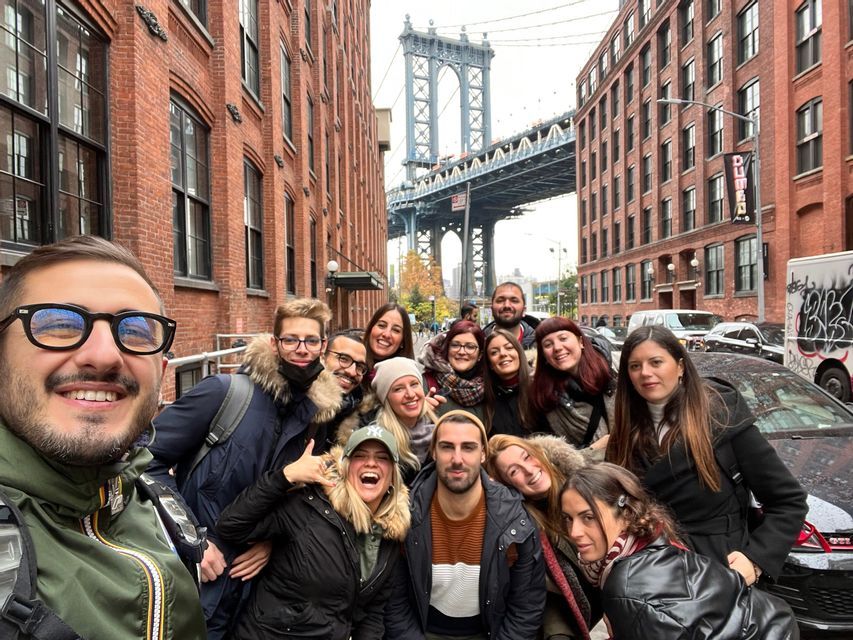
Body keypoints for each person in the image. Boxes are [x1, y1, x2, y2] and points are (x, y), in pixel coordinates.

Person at [0, 235, 205, 638]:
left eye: (135, 332)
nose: (105, 355)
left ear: (162, 373)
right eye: (58, 322)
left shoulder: (152, 502)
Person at [148, 298, 344, 638]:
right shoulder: (224, 394)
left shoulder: (315, 418)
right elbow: (146, 459)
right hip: (194, 572)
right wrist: (192, 539)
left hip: (254, 587)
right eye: (291, 340)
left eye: (311, 341)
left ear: (323, 346)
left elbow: (296, 500)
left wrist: (270, 544)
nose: (301, 349)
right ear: (274, 342)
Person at [607, 326, 807, 585]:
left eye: (656, 362)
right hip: (649, 581)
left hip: (716, 577)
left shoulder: (723, 422)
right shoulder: (623, 435)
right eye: (635, 366)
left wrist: (755, 560)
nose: (645, 373)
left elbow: (789, 501)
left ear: (680, 367)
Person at [561, 463, 800, 639]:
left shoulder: (624, 589)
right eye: (568, 519)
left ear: (625, 514)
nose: (574, 532)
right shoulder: (658, 542)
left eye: (588, 517)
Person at [216, 425, 411, 640]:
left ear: (393, 476)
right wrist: (284, 476)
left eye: (382, 458)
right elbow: (231, 525)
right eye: (360, 455)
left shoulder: (390, 535)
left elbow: (373, 613)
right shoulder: (309, 505)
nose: (371, 463)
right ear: (345, 467)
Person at [384, 410, 546, 639]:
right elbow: (394, 603)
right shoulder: (407, 514)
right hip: (423, 632)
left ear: (483, 454)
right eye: (447, 447)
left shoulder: (514, 520)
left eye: (468, 447)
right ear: (434, 452)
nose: (457, 459)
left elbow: (526, 608)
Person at [486, 434, 600, 640]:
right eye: (514, 471)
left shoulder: (592, 483)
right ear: (508, 485)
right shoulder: (525, 532)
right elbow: (548, 599)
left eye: (527, 457)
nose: (528, 470)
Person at [338, 357, 436, 484]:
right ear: (386, 398)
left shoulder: (438, 431)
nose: (410, 394)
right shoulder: (374, 438)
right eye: (398, 389)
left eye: (414, 384)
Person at [530, 317, 614, 451]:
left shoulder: (614, 374)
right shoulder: (544, 397)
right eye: (548, 344)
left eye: (563, 338)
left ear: (581, 342)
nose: (557, 348)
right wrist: (594, 450)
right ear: (543, 355)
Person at [421, 320, 486, 419]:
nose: (462, 352)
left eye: (470, 347)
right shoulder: (425, 385)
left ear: (480, 355)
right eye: (455, 345)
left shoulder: (490, 387)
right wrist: (420, 413)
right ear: (447, 348)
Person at [482, 328, 538, 436]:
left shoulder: (539, 389)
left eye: (509, 348)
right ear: (489, 364)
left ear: (519, 353)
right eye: (494, 352)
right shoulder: (485, 398)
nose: (503, 354)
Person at [322, 329, 372, 447]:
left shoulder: (360, 420)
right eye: (343, 359)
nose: (352, 372)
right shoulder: (294, 402)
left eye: (360, 367)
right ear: (322, 356)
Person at [364, 303, 415, 377]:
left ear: (403, 341)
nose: (387, 334)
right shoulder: (349, 367)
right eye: (381, 325)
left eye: (396, 330)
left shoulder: (408, 379)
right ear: (370, 329)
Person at [483, 282, 539, 349]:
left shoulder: (541, 345)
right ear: (491, 309)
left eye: (514, 301)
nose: (507, 305)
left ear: (524, 310)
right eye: (500, 300)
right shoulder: (479, 344)